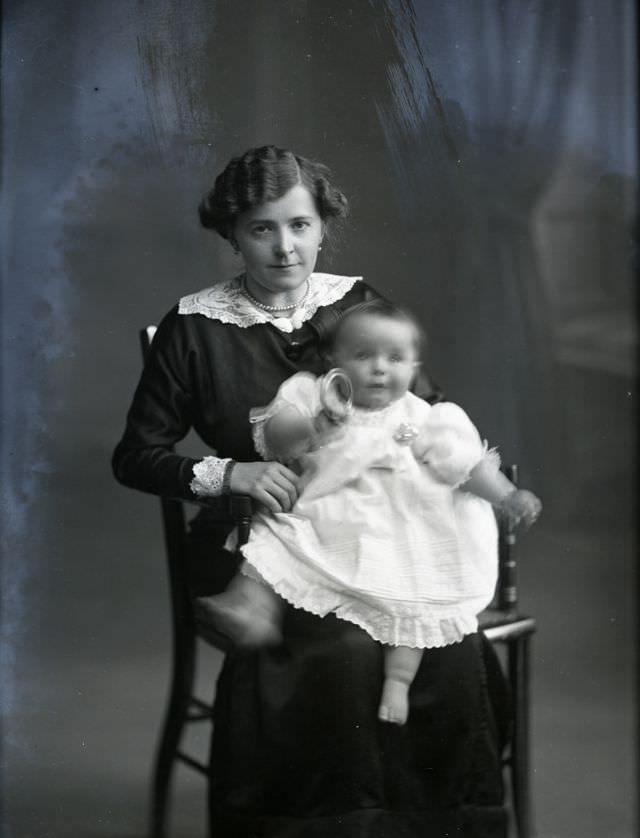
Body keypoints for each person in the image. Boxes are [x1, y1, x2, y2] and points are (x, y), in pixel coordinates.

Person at [113, 145, 513, 837]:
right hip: (260, 538)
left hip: (379, 530)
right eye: (261, 229)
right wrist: (227, 474)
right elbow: (135, 456)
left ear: (323, 226)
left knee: (442, 642)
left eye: (299, 225)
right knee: (341, 651)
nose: (283, 247)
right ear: (232, 235)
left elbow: (424, 409)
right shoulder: (194, 328)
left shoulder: (357, 303)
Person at [202, 299, 542, 726]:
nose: (380, 368)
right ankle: (250, 606)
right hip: (323, 518)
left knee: (414, 594)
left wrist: (507, 495)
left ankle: (397, 682)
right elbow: (275, 437)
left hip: (393, 532)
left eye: (395, 359)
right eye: (363, 356)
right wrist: (312, 428)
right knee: (276, 538)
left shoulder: (423, 417)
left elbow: (465, 465)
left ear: (414, 367)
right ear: (334, 360)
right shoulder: (312, 393)